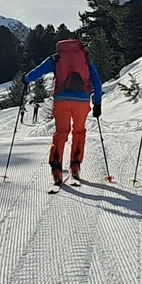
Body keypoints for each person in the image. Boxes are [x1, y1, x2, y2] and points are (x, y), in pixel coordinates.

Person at [23, 37, 103, 187]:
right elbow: (97, 83)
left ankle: (56, 168)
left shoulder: (57, 58)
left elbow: (39, 71)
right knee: (79, 131)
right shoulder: (85, 59)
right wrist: (97, 103)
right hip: (82, 101)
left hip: (62, 100)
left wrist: (26, 79)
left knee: (61, 133)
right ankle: (75, 165)